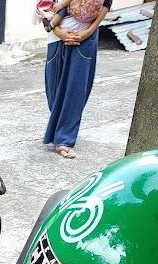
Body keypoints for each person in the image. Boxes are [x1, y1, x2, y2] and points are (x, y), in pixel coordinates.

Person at [43, 0, 112, 159]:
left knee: (76, 91)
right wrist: (59, 32)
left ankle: (64, 139)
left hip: (84, 39)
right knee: (53, 92)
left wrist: (86, 33)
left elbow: (106, 4)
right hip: (55, 38)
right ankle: (59, 130)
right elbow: (43, 7)